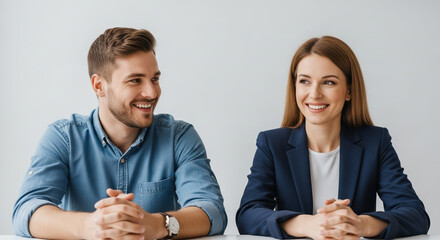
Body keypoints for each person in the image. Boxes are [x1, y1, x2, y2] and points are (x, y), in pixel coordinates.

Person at [13, 27, 227, 240]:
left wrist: (159, 224)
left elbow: (212, 211)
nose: (152, 93)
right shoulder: (64, 137)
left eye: (154, 79)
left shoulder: (178, 136)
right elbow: (27, 210)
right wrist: (88, 225)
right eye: (135, 80)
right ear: (99, 86)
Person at [236, 36, 430, 239]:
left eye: (328, 82)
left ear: (349, 91)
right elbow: (248, 215)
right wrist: (306, 224)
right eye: (304, 81)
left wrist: (359, 224)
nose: (314, 94)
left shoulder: (376, 141)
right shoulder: (272, 144)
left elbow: (415, 214)